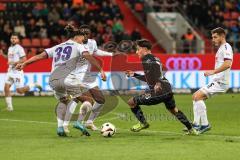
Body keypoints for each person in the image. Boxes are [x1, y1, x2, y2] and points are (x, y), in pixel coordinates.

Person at [16, 24, 106, 137]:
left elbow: (39, 56)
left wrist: (24, 63)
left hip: (53, 80)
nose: (84, 39)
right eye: (82, 37)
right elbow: (88, 56)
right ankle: (78, 121)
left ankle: (60, 127)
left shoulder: (57, 47)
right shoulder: (79, 46)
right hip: (68, 79)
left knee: (64, 101)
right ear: (77, 37)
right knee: (89, 100)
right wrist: (101, 69)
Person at [125, 39, 198, 135]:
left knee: (131, 102)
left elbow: (155, 71)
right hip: (167, 89)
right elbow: (151, 77)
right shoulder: (155, 58)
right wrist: (134, 74)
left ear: (144, 49)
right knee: (174, 110)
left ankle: (143, 123)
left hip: (159, 91)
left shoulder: (146, 58)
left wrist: (158, 83)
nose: (136, 52)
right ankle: (191, 129)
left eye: (138, 49)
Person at [62, 24, 114, 131]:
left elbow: (96, 52)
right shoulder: (74, 44)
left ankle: (89, 122)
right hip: (75, 76)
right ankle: (65, 125)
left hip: (87, 76)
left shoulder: (92, 42)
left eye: (87, 34)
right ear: (79, 34)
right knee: (76, 99)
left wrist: (111, 55)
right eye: (83, 34)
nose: (85, 36)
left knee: (100, 99)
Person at [191, 27, 233, 134]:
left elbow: (228, 64)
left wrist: (213, 71)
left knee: (198, 96)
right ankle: (195, 125)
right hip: (217, 81)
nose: (213, 39)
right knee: (195, 96)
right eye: (212, 37)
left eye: (215, 37)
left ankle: (204, 125)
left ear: (222, 36)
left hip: (221, 82)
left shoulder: (226, 47)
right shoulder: (221, 48)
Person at [0, 33, 41, 111]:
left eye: (15, 38)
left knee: (19, 91)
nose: (13, 39)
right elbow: (9, 60)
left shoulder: (19, 48)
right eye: (12, 38)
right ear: (10, 39)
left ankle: (34, 84)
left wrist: (14, 63)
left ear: (18, 40)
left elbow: (24, 59)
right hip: (10, 71)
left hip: (17, 72)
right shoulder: (10, 48)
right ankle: (9, 107)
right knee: (6, 88)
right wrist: (3, 55)